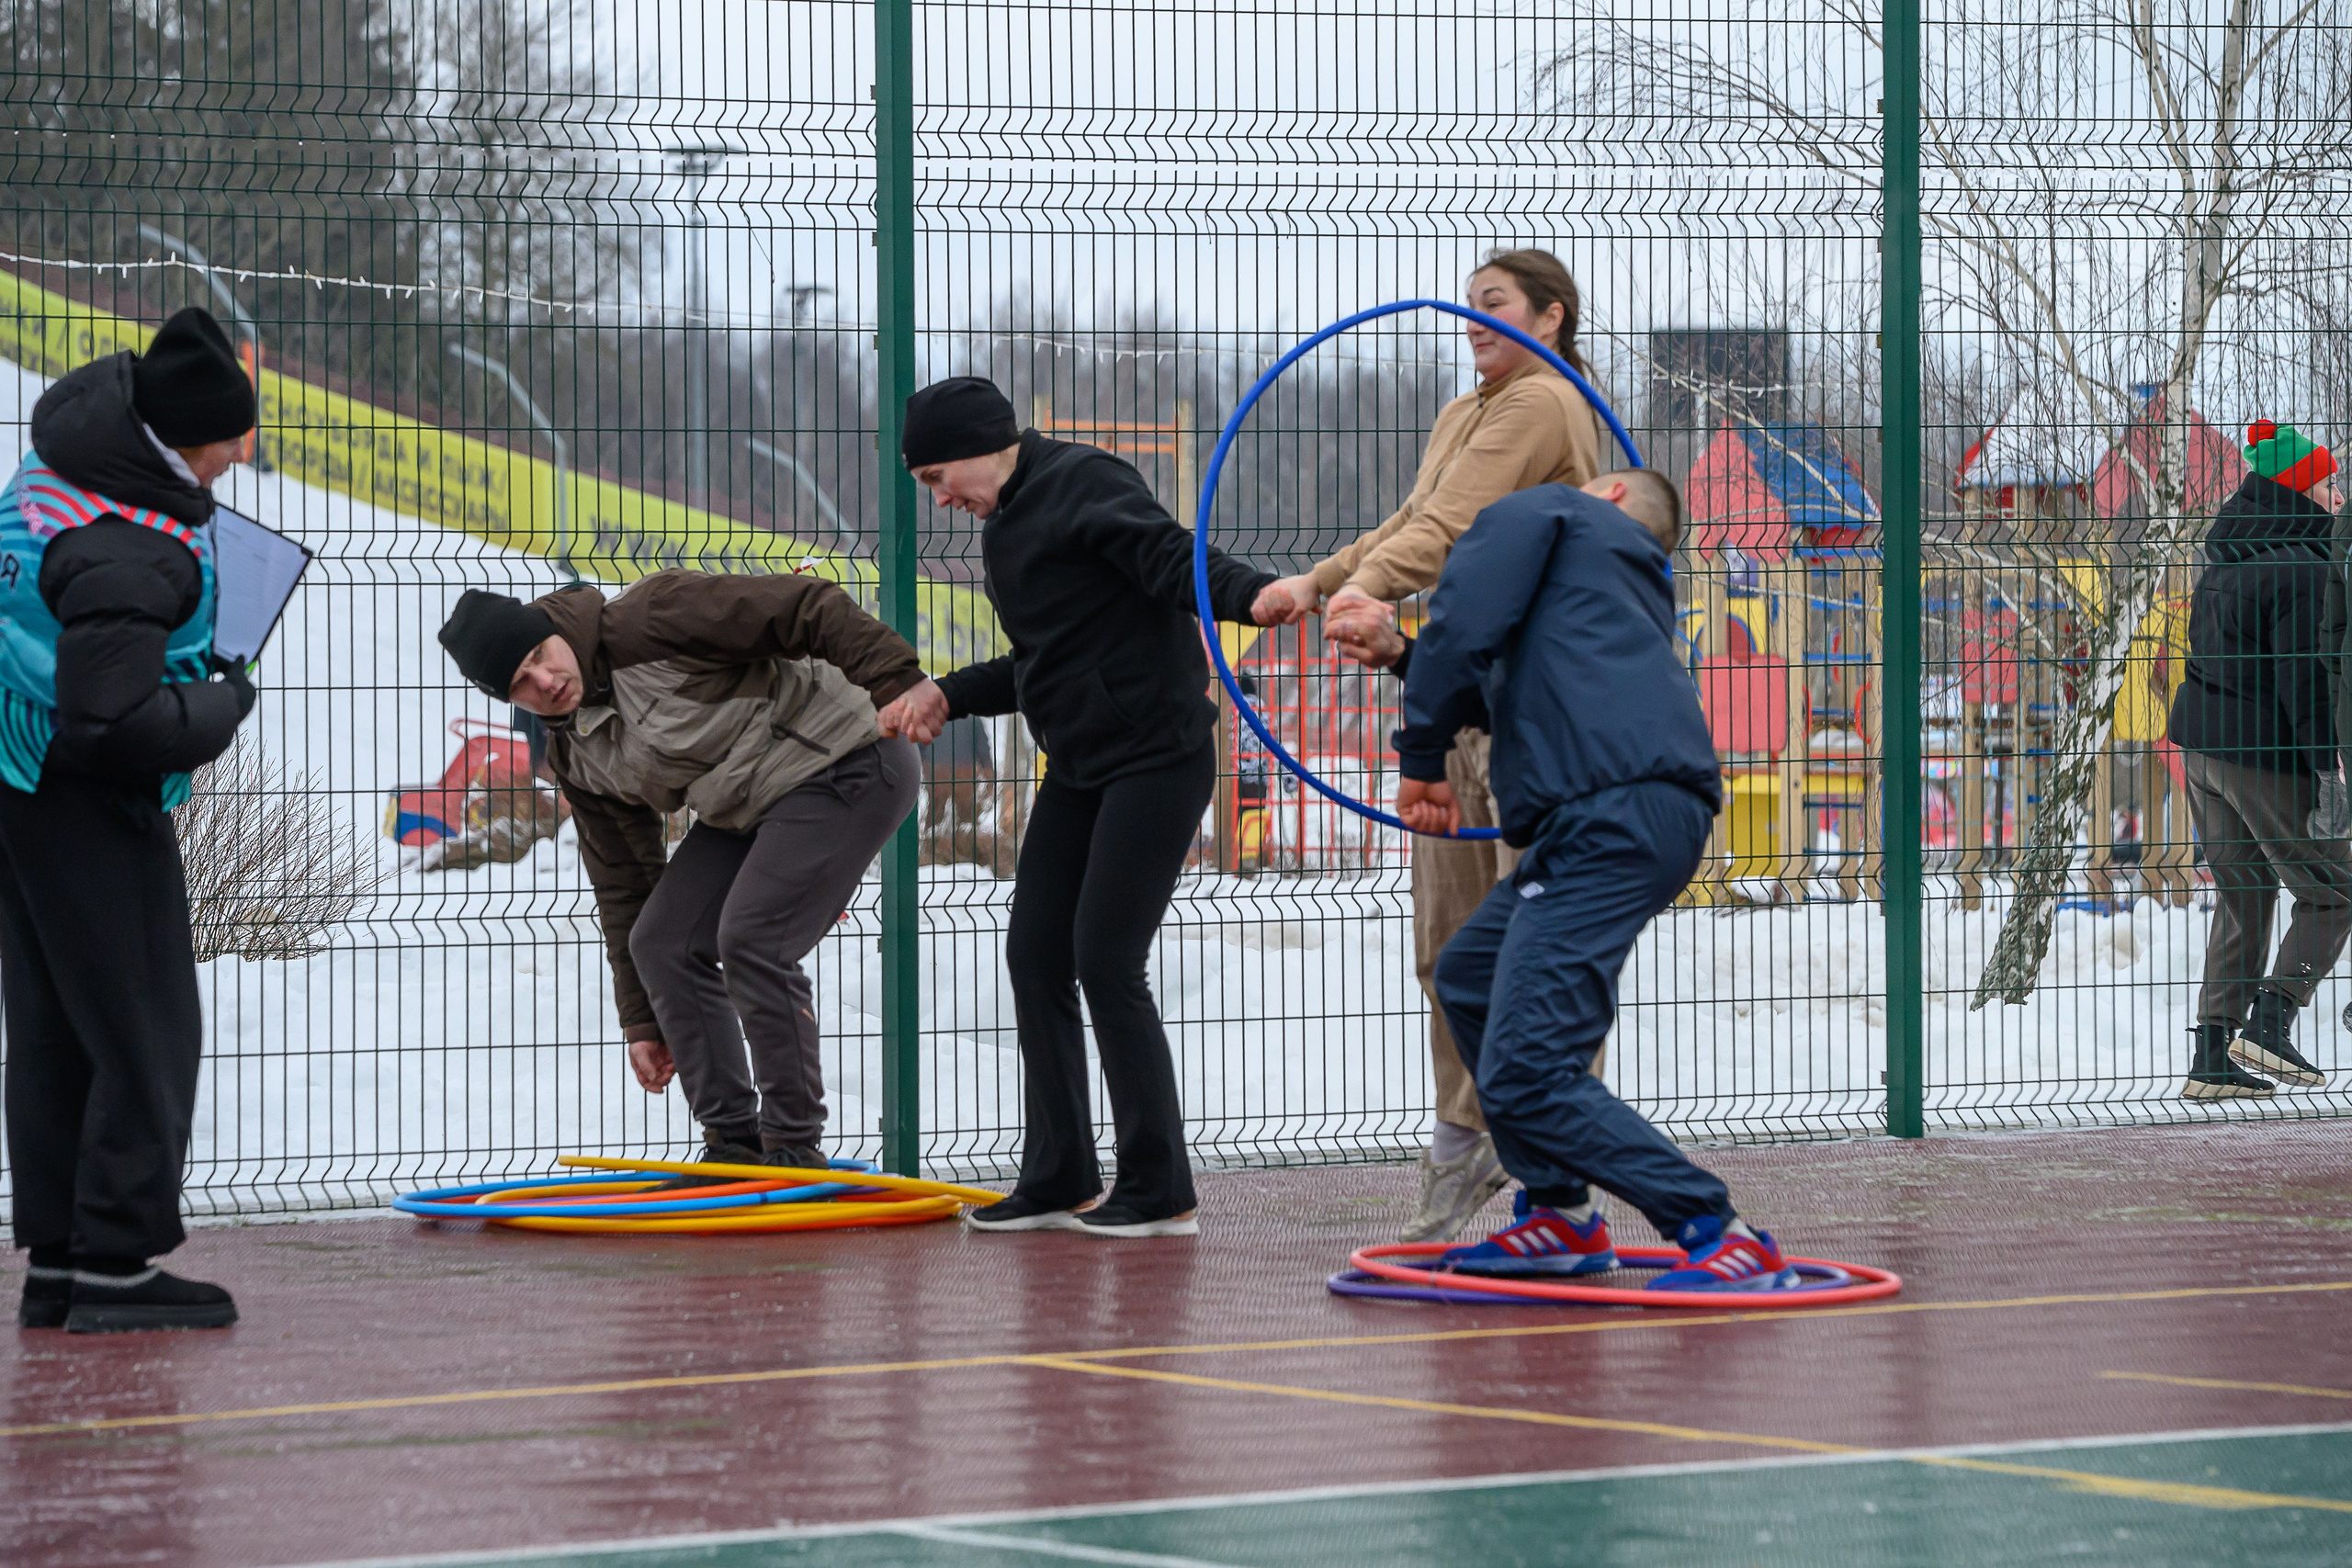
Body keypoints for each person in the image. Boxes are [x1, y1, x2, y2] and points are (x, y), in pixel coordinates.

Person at [1253, 248, 1608, 1244]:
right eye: (1467, 306)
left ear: (1549, 315)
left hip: (1536, 711)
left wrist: (1373, 590)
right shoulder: (1466, 410)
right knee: (1448, 948)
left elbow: (1451, 529)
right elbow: (1413, 515)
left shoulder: (1544, 404)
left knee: (1535, 952)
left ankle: (1557, 1181)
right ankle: (1466, 1141)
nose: (1472, 320)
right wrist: (1319, 583)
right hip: (1455, 697)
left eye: (1492, 304)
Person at [876, 377, 1283, 1238]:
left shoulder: (1084, 483)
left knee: (1106, 958)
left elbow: (1173, 557)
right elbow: (1045, 661)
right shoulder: (1005, 526)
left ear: (988, 444)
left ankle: (1159, 1186)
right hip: (1082, 764)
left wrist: (1250, 593)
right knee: (1035, 954)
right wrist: (946, 692)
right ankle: (1060, 1172)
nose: (942, 498)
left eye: (940, 476)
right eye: (927, 486)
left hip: (1157, 758)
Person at [1392, 470, 1792, 1291]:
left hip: (1606, 815)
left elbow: (1461, 616)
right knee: (1471, 974)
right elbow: (1505, 693)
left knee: (1527, 1067)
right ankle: (1558, 1214)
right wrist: (1405, 658)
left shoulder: (1548, 508)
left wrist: (1421, 758)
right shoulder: (1609, 591)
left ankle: (1716, 1226)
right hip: (1625, 813)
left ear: (1606, 494)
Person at [437, 570, 927, 1173]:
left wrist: (899, 682)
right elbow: (623, 880)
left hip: (849, 756)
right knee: (662, 940)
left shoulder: (653, 618)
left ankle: (793, 1146)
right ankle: (733, 1144)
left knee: (753, 938)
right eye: (521, 684)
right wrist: (643, 1017)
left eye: (540, 655)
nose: (546, 681)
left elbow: (805, 606)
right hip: (748, 803)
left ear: (549, 629)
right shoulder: (575, 754)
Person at [5, 308, 262, 1333]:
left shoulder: (63, 466)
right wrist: (223, 703)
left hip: (17, 775)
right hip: (81, 796)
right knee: (146, 1025)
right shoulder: (129, 546)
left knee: (62, 1027)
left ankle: (62, 1263)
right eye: (228, 444)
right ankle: (117, 1263)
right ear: (187, 437)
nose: (236, 461)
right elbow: (112, 724)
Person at [2170, 420, 2345, 1100]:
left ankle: (2212, 1053)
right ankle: (2272, 1020)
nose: (2339, 497)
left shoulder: (2230, 554)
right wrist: (2326, 769)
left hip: (2203, 750)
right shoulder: (2302, 566)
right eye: (2330, 484)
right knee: (2334, 889)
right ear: (2299, 490)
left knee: (2243, 894)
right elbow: (2303, 682)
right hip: (2261, 753)